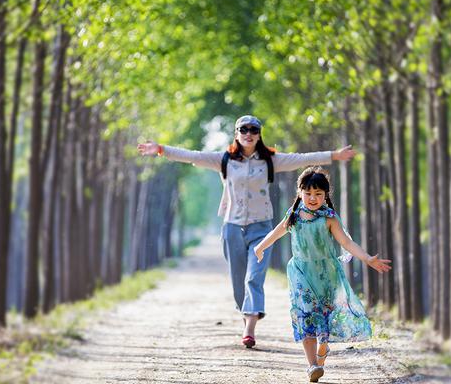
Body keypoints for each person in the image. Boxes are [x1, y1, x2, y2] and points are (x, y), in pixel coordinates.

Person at [137, 115, 357, 349]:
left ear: (259, 134)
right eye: (244, 129)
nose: (249, 133)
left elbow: (301, 159)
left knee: (254, 277)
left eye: (254, 129)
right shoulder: (224, 160)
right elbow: (193, 155)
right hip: (232, 227)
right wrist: (161, 149)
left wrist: (333, 155)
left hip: (261, 226)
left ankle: (249, 328)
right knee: (238, 281)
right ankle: (246, 314)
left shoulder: (270, 160)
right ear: (236, 134)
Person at [254, 167, 391, 382]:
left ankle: (322, 351)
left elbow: (346, 243)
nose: (312, 198)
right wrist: (260, 247)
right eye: (308, 193)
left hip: (327, 276)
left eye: (318, 194)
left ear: (326, 195)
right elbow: (277, 232)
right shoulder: (294, 216)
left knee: (325, 318)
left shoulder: (329, 218)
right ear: (300, 192)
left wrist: (367, 258)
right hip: (300, 274)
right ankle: (312, 366)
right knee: (305, 316)